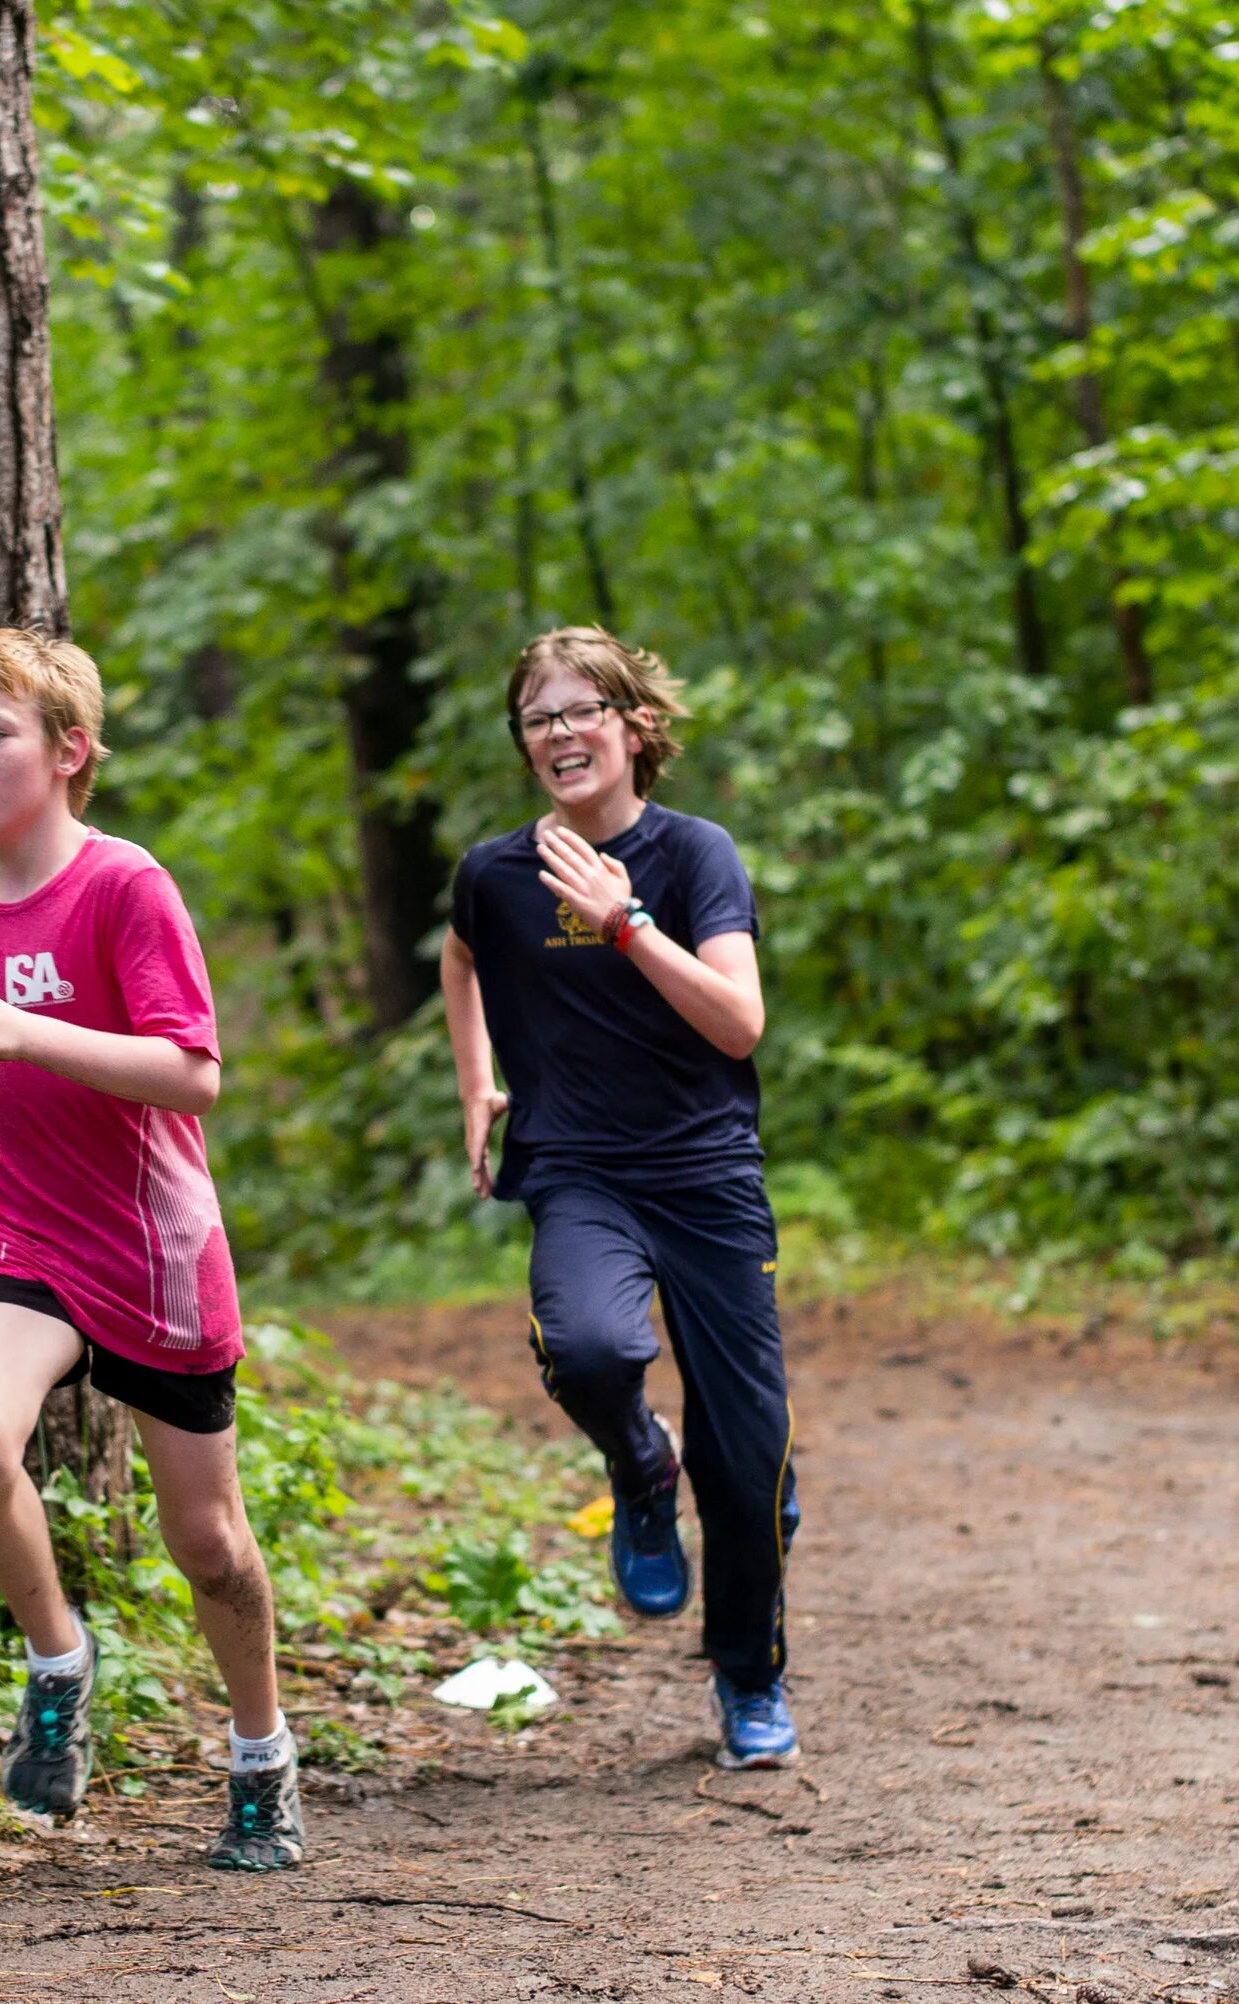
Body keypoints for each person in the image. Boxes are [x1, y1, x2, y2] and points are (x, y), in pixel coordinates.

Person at [0, 616, 304, 1869]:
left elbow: (191, 1073)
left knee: (209, 1547)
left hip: (150, 1242)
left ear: (69, 750)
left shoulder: (125, 887)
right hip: (19, 1221)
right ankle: (59, 1658)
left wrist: (27, 1032)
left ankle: (262, 1756)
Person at [438, 625, 801, 1769]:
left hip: (706, 1176)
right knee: (592, 1350)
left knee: (749, 1463)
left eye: (579, 710)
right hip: (579, 1171)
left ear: (636, 726)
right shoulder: (496, 873)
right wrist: (476, 1084)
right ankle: (640, 1464)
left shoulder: (696, 857)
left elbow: (739, 1022)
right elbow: (460, 962)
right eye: (536, 719)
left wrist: (626, 922)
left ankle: (748, 1678)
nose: (556, 735)